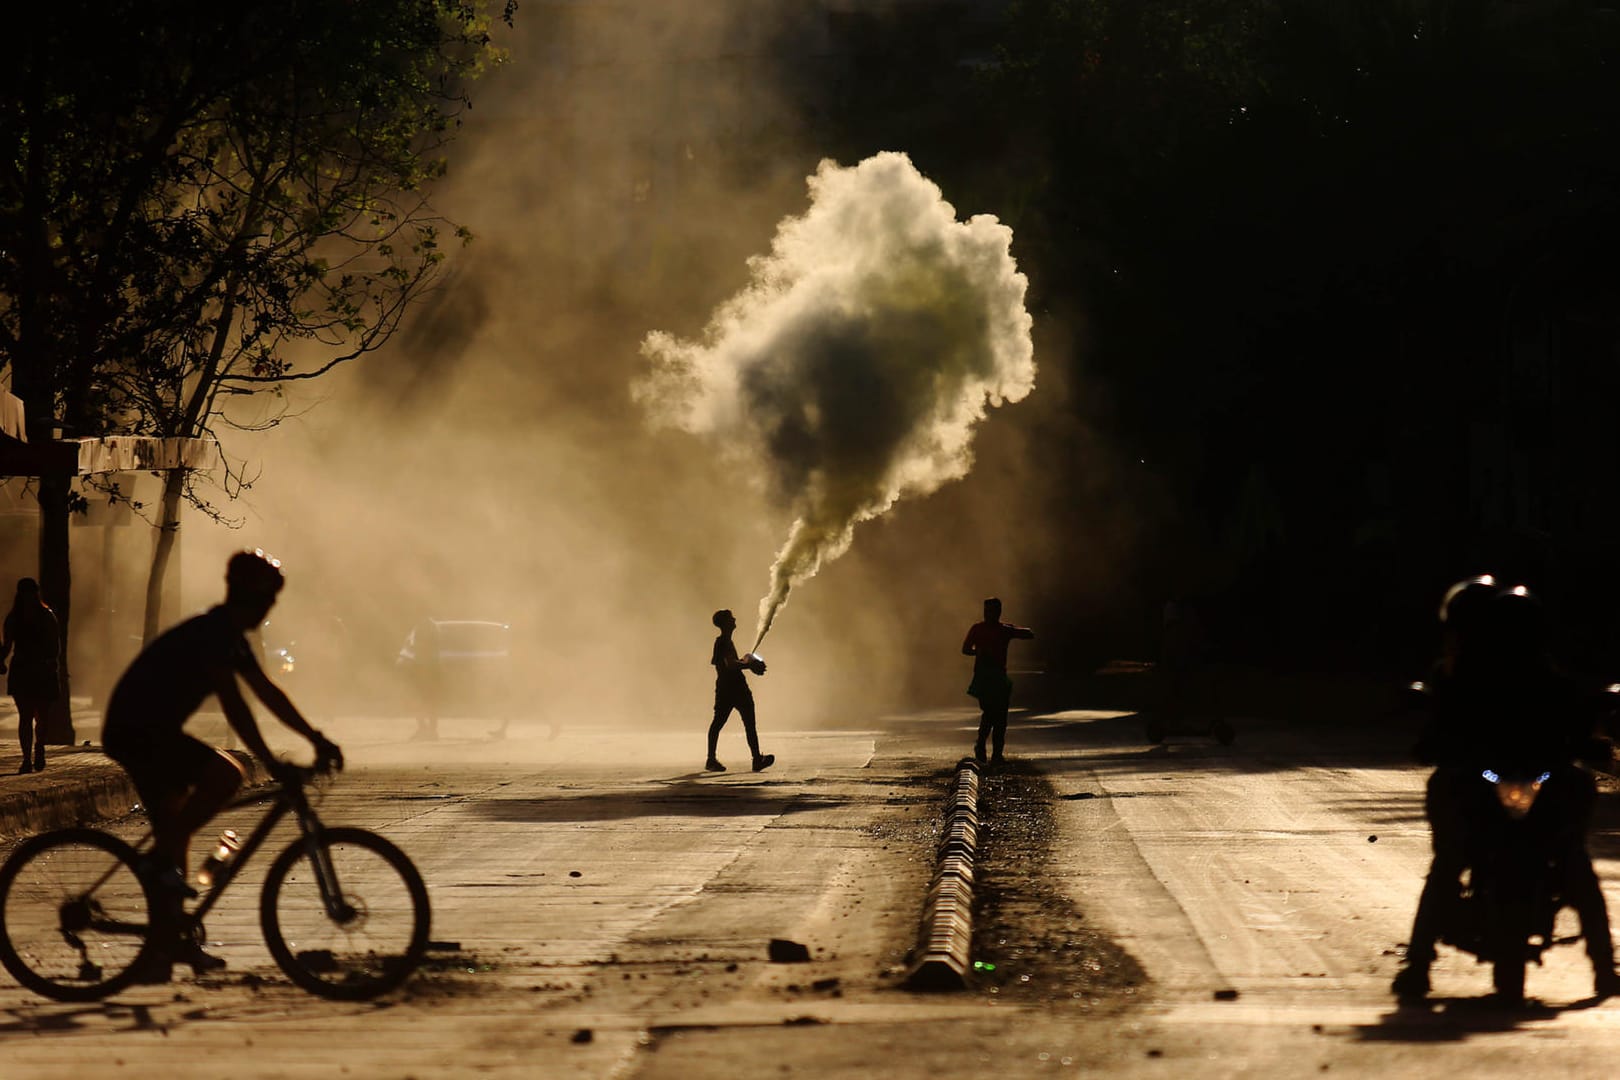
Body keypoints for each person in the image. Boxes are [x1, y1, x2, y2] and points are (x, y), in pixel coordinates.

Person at [102, 549, 342, 978]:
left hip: (153, 730)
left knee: (176, 843)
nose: (269, 611)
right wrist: (270, 760)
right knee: (227, 774)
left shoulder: (230, 637)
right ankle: (160, 876)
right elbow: (236, 706)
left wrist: (315, 738)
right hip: (137, 732)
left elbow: (267, 693)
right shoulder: (213, 634)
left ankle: (169, 947)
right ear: (249, 597)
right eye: (267, 602)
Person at [1392, 577, 1620, 1001]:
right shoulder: (1464, 680)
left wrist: (1590, 743)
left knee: (1574, 859)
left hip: (1542, 781)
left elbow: (1581, 723)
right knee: (1449, 859)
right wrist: (1436, 746)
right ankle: (1417, 962)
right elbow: (1438, 727)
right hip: (1483, 780)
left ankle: (1606, 968)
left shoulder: (1553, 681)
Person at [961, 597, 1035, 764]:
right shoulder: (978, 629)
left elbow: (1029, 633)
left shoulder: (1003, 629)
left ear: (998, 612)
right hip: (984, 677)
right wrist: (978, 653)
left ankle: (993, 752)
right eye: (987, 611)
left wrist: (1012, 630)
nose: (989, 614)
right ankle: (985, 747)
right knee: (991, 713)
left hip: (998, 677)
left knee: (998, 717)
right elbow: (965, 649)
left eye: (993, 611)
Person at [0, 578, 59, 773]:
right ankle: (27, 758)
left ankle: (39, 747)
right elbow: (7, 645)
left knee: (41, 716)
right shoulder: (14, 618)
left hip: (40, 669)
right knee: (25, 716)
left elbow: (54, 645)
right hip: (25, 670)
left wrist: (51, 661)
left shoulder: (46, 616)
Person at [706, 609, 773, 773]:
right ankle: (754, 759)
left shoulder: (725, 642)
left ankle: (713, 759)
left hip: (728, 688)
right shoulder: (722, 643)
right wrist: (750, 665)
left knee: (722, 723)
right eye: (731, 618)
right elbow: (731, 665)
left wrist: (747, 658)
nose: (734, 619)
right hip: (732, 689)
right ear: (726, 623)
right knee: (741, 724)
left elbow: (733, 661)